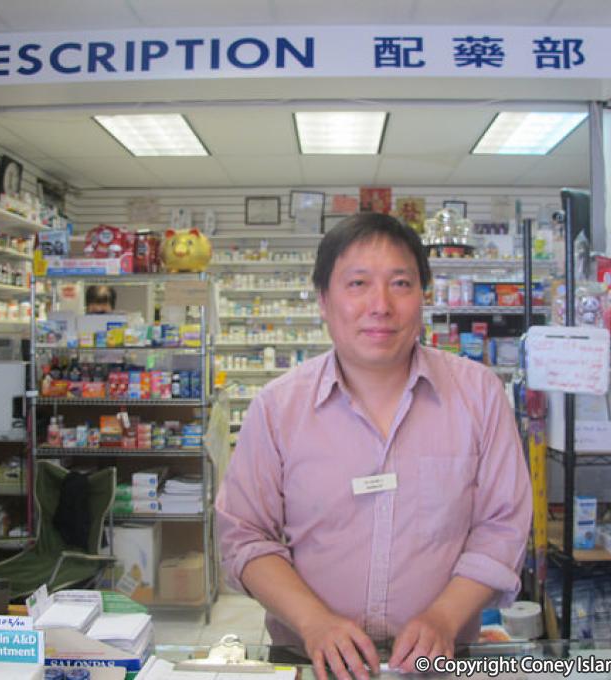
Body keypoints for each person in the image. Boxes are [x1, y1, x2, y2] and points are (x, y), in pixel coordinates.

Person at [216, 213, 532, 680]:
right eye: (358, 283)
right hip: (311, 659)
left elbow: (503, 526)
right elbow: (244, 535)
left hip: (441, 660)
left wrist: (444, 616)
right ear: (324, 300)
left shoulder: (479, 394)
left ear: (423, 296)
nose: (380, 305)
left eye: (400, 283)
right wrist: (314, 622)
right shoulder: (277, 408)